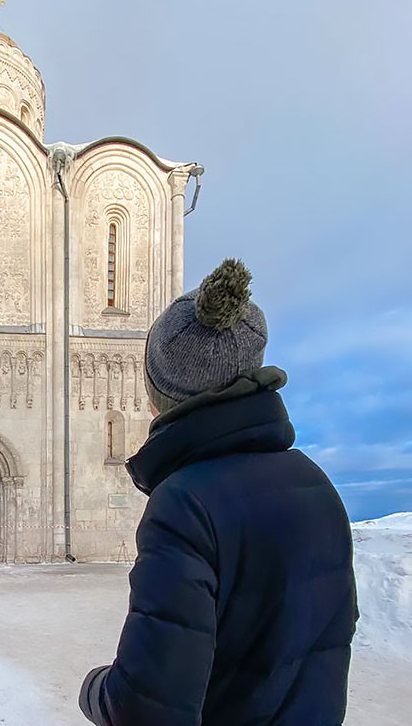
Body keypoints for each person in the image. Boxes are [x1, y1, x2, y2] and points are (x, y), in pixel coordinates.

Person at [79, 258, 357, 726]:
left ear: (160, 396)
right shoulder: (316, 484)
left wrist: (93, 689)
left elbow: (146, 707)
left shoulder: (185, 505)